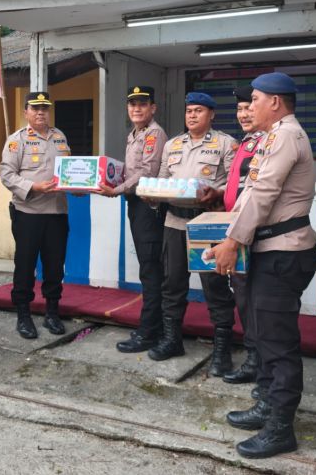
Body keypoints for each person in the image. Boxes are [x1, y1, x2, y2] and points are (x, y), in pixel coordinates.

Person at [206, 72, 316, 459]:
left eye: (254, 99)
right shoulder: (274, 136)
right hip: (269, 250)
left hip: (283, 253)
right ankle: (268, 406)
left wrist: (232, 241)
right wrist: (228, 236)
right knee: (261, 333)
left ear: (275, 101)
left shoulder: (286, 135)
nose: (249, 106)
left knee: (277, 343)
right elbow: (251, 192)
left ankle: (280, 428)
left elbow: (266, 192)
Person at [147, 92, 238, 377]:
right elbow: (162, 180)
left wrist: (219, 194)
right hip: (174, 222)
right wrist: (152, 192)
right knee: (172, 284)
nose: (192, 116)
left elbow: (236, 186)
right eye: (189, 111)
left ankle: (222, 348)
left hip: (208, 223)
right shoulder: (173, 144)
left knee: (215, 287)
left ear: (211, 114)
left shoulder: (226, 144)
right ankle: (172, 340)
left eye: (199, 111)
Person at [98, 86, 168, 353]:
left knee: (151, 271)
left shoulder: (153, 134)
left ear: (153, 108)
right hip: (137, 205)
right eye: (132, 104)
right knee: (148, 269)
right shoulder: (135, 134)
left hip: (149, 208)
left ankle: (149, 332)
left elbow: (147, 172)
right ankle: (156, 327)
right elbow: (130, 171)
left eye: (142, 104)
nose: (137, 108)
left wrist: (115, 189)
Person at [0, 91, 71, 339]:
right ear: (26, 112)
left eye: (44, 108)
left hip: (57, 212)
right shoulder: (16, 140)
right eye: (35, 108)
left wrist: (81, 186)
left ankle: (52, 312)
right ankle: (23, 314)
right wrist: (34, 187)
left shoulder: (59, 136)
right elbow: (7, 175)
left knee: (54, 265)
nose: (40, 112)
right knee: (25, 264)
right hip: (28, 212)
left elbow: (69, 172)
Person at [222, 86, 266, 389]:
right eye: (239, 109)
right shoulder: (246, 143)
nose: (243, 114)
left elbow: (261, 194)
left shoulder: (269, 143)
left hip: (255, 235)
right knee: (243, 298)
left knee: (256, 302)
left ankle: (261, 365)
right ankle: (254, 360)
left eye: (249, 107)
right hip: (235, 230)